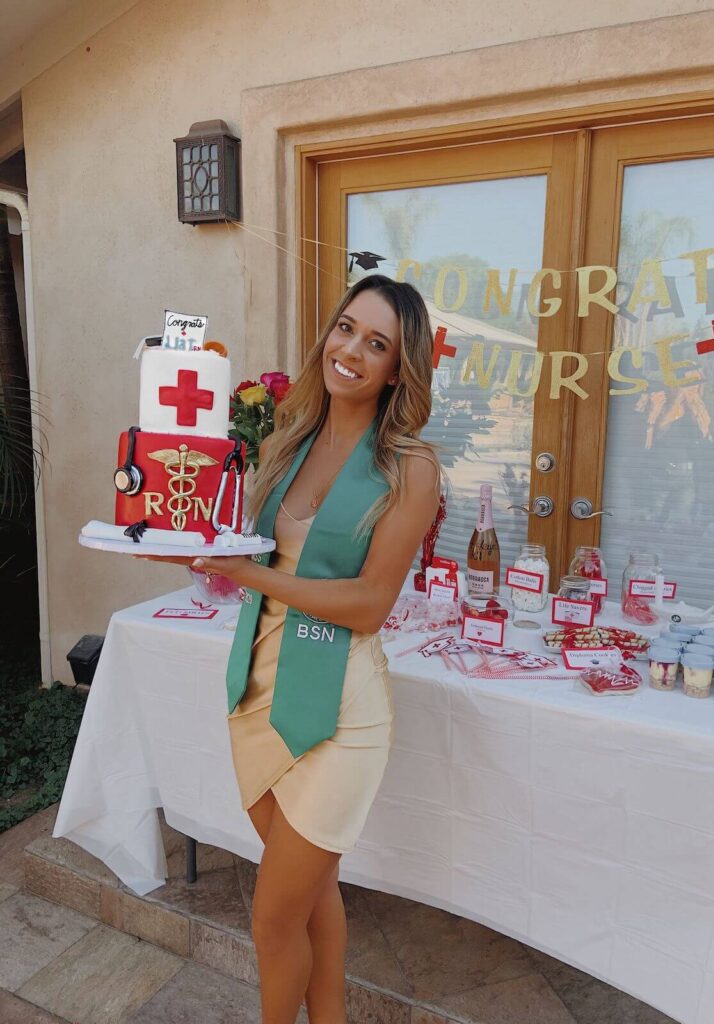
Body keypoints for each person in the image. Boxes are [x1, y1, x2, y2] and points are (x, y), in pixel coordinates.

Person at [141, 274, 440, 1024]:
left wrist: (247, 572)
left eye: (378, 345)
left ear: (400, 369)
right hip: (259, 692)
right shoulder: (287, 437)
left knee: (273, 917)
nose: (352, 351)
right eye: (346, 329)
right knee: (310, 896)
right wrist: (185, 546)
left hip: (337, 710)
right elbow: (238, 547)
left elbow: (371, 604)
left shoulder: (411, 468)